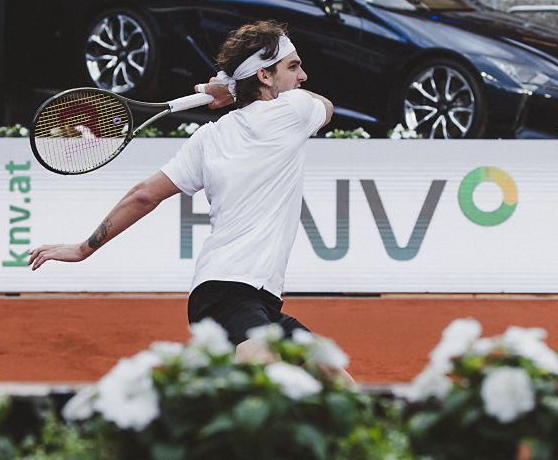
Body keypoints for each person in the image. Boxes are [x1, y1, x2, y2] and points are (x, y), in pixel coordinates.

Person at [28, 21, 346, 375]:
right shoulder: (294, 110)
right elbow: (326, 106)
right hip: (228, 292)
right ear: (265, 77)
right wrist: (229, 88)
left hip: (253, 296)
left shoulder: (207, 139)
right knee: (262, 373)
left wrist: (82, 248)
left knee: (334, 375)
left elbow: (144, 196)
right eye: (293, 66)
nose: (303, 75)